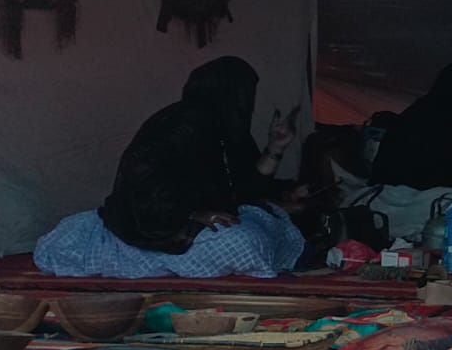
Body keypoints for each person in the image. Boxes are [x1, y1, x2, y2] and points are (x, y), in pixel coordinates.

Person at [33, 56, 304, 278]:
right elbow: (142, 187)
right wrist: (194, 215)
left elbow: (245, 189)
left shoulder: (228, 131)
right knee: (242, 243)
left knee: (273, 226)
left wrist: (276, 148)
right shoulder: (180, 125)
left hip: (206, 222)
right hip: (159, 225)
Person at [369, 62, 452, 191]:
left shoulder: (423, 113)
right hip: (405, 203)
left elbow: (438, 162)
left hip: (391, 197)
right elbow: (440, 177)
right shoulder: (440, 124)